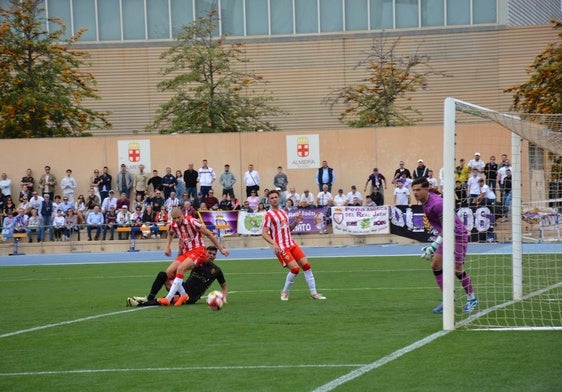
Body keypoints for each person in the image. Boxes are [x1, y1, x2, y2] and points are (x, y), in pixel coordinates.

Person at [411, 177, 478, 314]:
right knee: (435, 265)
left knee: (457, 268)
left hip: (458, 235)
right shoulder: (425, 202)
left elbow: (449, 227)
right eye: (413, 190)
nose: (415, 193)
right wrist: (434, 245)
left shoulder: (437, 204)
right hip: (447, 236)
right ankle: (449, 300)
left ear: (426, 189)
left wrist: (434, 245)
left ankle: (472, 299)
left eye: (418, 190)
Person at [156, 207, 229, 307]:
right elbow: (170, 233)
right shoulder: (173, 225)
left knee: (180, 268)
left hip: (198, 250)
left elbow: (208, 234)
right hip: (186, 252)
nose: (177, 220)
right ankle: (184, 295)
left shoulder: (192, 221)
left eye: (178, 217)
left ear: (182, 215)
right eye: (174, 219)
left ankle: (168, 299)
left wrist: (221, 249)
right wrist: (167, 247)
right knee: (169, 272)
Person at [261, 189, 326, 301]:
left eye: (276, 197)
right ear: (269, 201)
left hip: (291, 243)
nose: (274, 199)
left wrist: (296, 222)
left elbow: (288, 229)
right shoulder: (268, 215)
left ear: (279, 198)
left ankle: (314, 293)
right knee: (295, 269)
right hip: (281, 247)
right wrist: (274, 244)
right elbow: (264, 234)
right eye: (271, 198)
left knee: (307, 266)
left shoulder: (283, 212)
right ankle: (285, 291)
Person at [127, 246, 228, 307]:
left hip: (191, 297)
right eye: (209, 253)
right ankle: (149, 298)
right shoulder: (197, 262)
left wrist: (224, 298)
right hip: (182, 288)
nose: (211, 255)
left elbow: (224, 286)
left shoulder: (217, 270)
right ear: (205, 253)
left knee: (167, 300)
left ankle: (140, 304)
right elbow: (181, 264)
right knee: (163, 275)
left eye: (214, 254)